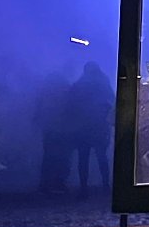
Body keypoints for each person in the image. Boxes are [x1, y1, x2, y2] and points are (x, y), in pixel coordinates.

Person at [65, 62, 114, 198]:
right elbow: (111, 101)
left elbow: (70, 104)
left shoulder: (80, 84)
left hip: (84, 127)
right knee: (101, 157)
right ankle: (105, 186)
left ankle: (84, 188)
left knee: (84, 158)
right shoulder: (103, 83)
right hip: (98, 126)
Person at [34, 72, 72, 195]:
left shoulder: (46, 89)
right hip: (63, 128)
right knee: (63, 156)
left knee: (49, 156)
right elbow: (72, 107)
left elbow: (39, 106)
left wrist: (37, 121)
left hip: (50, 128)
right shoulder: (66, 87)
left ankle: (45, 184)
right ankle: (59, 182)